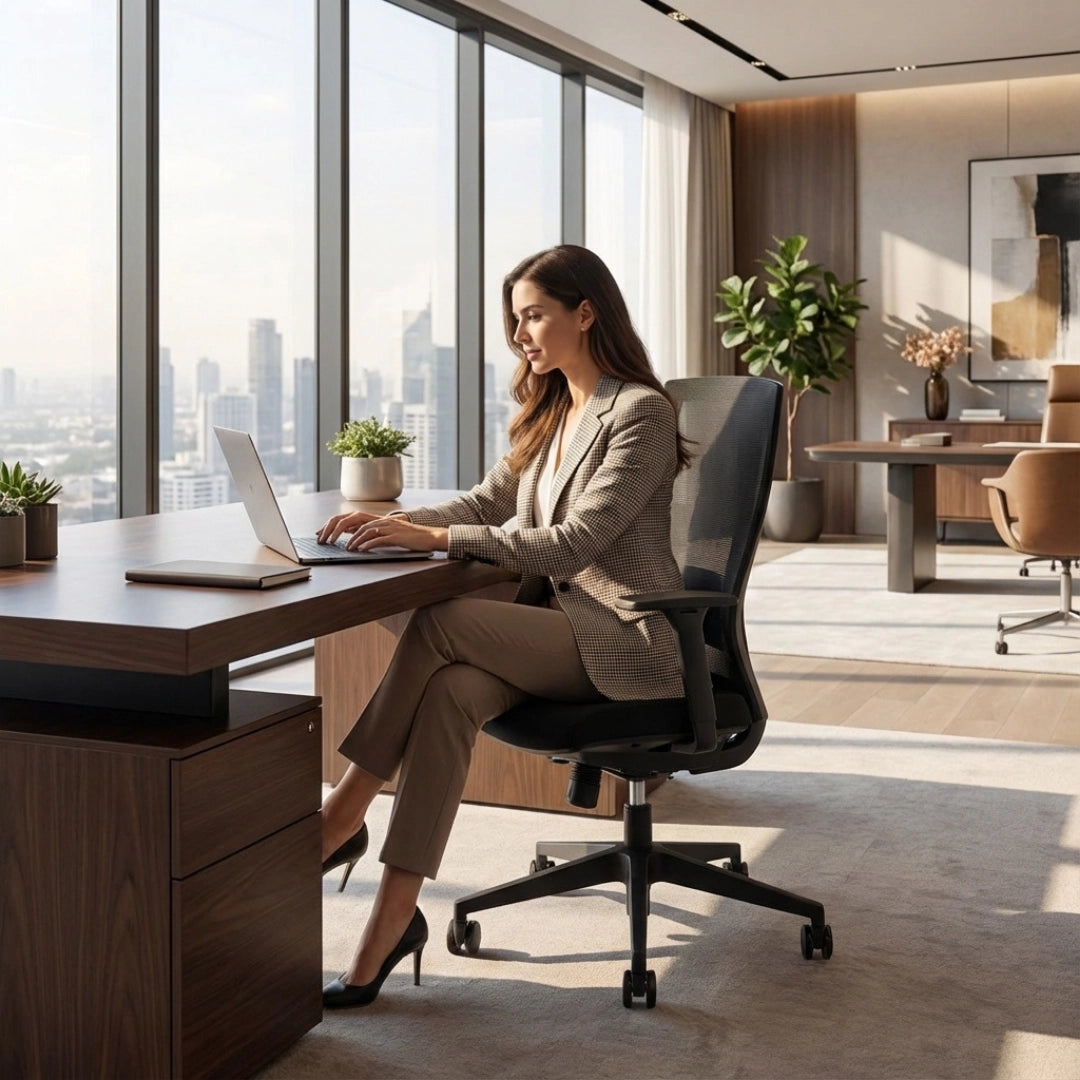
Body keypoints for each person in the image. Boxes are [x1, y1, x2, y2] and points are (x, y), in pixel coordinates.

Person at [315, 243, 691, 1009]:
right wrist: (394, 522)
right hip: (557, 628)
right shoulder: (553, 412)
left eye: (533, 316)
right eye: (514, 319)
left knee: (443, 622)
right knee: (450, 691)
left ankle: (340, 815)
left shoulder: (641, 414)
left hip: (627, 638)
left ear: (585, 314)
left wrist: (435, 543)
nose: (520, 335)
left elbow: (576, 543)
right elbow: (483, 505)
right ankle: (389, 924)